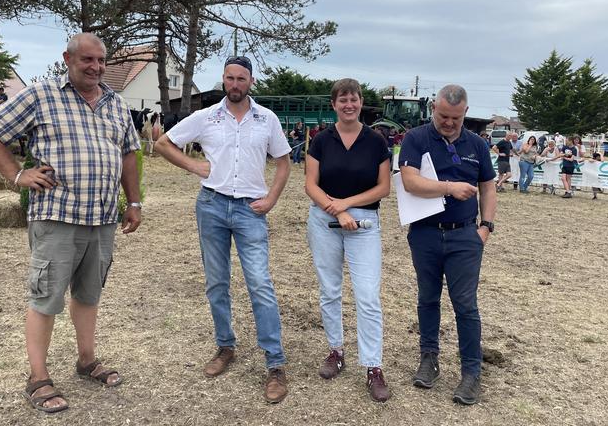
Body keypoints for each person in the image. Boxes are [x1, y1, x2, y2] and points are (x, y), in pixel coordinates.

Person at [0, 33, 142, 413]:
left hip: (101, 219)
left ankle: (86, 360)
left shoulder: (115, 103)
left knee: (88, 295)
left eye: (101, 61)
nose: (96, 67)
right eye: (88, 60)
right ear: (68, 58)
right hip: (57, 215)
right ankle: (38, 377)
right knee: (46, 297)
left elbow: (129, 153)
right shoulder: (41, 94)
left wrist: (133, 201)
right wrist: (18, 175)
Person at [154, 55, 292, 404]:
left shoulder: (267, 119)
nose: (234, 84)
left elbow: (283, 162)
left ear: (251, 82)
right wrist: (193, 165)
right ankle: (225, 346)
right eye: (229, 78)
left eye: (241, 79)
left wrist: (272, 198)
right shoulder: (207, 117)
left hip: (250, 210)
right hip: (212, 206)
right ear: (223, 80)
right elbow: (162, 144)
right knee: (217, 282)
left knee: (260, 284)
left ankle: (275, 364)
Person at [399, 84, 497, 406]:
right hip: (425, 233)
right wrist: (449, 187)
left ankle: (471, 373)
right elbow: (410, 182)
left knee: (465, 305)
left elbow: (488, 186)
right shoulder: (415, 138)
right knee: (427, 298)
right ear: (433, 109)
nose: (449, 123)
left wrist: (485, 227)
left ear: (465, 113)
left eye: (455, 117)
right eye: (443, 116)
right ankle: (429, 358)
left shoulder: (478, 145)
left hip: (464, 236)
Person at [304, 78, 391, 402]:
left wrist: (347, 204)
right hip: (325, 219)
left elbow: (383, 188)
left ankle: (373, 366)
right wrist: (337, 210)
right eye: (342, 100)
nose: (348, 105)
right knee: (330, 289)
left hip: (365, 223)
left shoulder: (377, 141)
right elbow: (310, 184)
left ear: (360, 102)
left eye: (353, 99)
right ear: (334, 104)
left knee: (367, 295)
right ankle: (336, 351)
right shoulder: (321, 140)